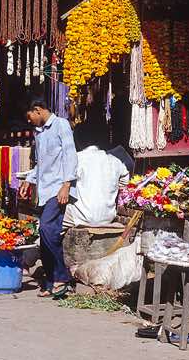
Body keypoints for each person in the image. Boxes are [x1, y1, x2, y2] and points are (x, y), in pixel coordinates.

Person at [18, 97, 78, 298]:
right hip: (45, 191)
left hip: (58, 189)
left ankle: (63, 276)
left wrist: (66, 185)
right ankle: (51, 280)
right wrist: (29, 179)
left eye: (30, 117)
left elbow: (70, 155)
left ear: (37, 110)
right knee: (45, 236)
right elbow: (42, 163)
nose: (30, 121)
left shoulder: (61, 125)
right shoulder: (40, 133)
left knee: (46, 228)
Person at [64, 122, 130, 229]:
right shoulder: (115, 161)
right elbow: (124, 182)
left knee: (50, 223)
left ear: (77, 140)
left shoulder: (76, 159)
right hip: (107, 217)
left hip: (81, 217)